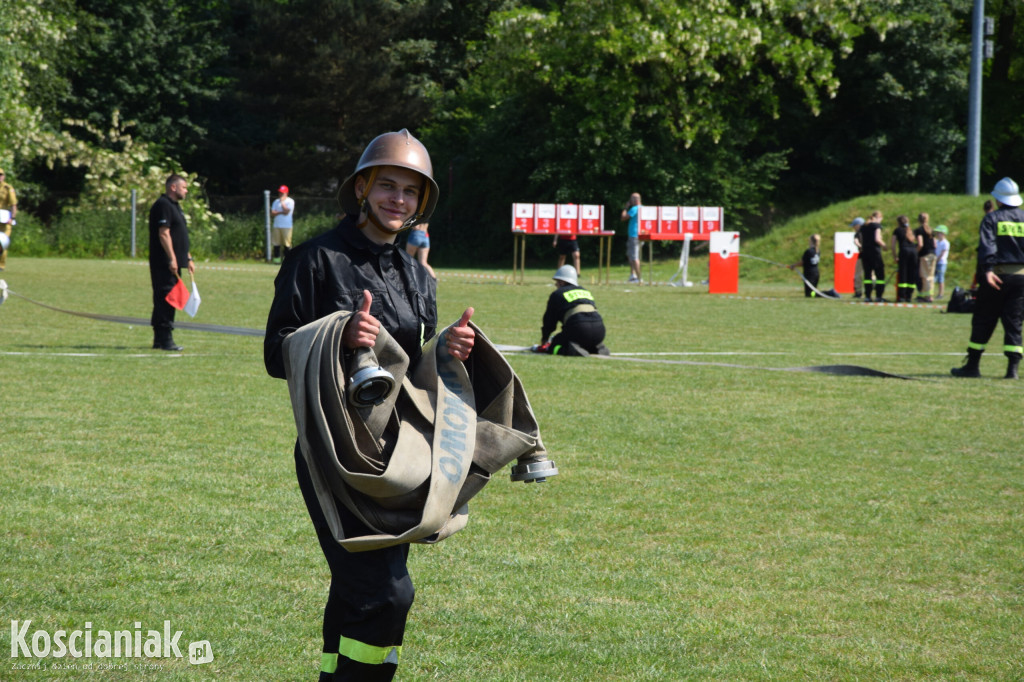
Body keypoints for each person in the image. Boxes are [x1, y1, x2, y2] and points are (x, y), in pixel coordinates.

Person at [264, 130, 475, 681]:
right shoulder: (315, 259)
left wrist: (446, 349)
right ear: (362, 187)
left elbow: (415, 370)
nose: (397, 199)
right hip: (332, 451)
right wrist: (338, 334)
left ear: (420, 203)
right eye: (387, 186)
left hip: (398, 454)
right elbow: (274, 352)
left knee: (361, 590)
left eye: (410, 191)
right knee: (385, 592)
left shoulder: (417, 277)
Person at [951, 176, 1024, 379]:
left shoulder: (992, 218)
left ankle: (972, 366)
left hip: (997, 276)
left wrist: (988, 270)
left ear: (999, 199)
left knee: (984, 318)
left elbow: (987, 246)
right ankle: (1012, 371)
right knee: (1014, 321)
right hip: (1020, 278)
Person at [148, 174, 194, 351]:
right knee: (166, 299)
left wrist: (188, 257)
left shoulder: (175, 206)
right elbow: (164, 233)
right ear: (173, 187)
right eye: (184, 187)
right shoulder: (163, 205)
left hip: (174, 263)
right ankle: (164, 339)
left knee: (169, 298)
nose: (186, 190)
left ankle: (160, 340)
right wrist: (172, 258)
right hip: (164, 263)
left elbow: (178, 235)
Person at [533, 264, 608, 355]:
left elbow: (549, 321)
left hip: (579, 329)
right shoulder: (585, 291)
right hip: (599, 331)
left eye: (557, 282)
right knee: (583, 338)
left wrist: (545, 338)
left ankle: (571, 350)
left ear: (562, 282)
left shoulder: (557, 294)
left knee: (555, 345)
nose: (556, 284)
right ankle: (596, 348)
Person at [860, 210, 887, 302]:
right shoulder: (876, 226)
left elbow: (860, 240)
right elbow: (877, 239)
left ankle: (867, 296)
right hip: (875, 253)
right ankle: (878, 296)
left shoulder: (863, 227)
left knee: (867, 275)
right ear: (878, 217)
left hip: (865, 253)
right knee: (880, 275)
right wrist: (884, 245)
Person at [890, 214, 918, 303]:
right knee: (911, 274)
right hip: (913, 252)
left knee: (903, 274)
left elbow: (893, 245)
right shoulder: (911, 231)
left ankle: (902, 296)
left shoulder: (897, 230)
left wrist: (895, 257)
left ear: (898, 223)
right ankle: (909, 296)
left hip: (904, 251)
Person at [620, 192, 642, 283]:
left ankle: (639, 278)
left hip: (633, 235)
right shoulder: (643, 208)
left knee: (634, 257)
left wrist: (625, 207)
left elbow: (623, 217)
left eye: (631, 199)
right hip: (640, 235)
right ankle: (633, 275)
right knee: (631, 255)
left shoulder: (634, 208)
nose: (630, 201)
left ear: (635, 200)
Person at [270, 184, 295, 263]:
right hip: (277, 225)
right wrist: (281, 212)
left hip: (287, 226)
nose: (280, 194)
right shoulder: (276, 201)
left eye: (282, 193)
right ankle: (276, 260)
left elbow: (287, 211)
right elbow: (272, 213)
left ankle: (287, 260)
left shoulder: (290, 201)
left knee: (287, 244)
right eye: (280, 193)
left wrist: (282, 202)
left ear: (286, 193)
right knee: (276, 243)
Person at [915, 212, 936, 302]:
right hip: (933, 255)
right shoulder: (931, 230)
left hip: (924, 255)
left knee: (924, 276)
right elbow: (935, 245)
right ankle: (930, 294)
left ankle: (927, 296)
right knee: (930, 276)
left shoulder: (919, 230)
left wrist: (915, 252)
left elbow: (920, 244)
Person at [0, 168, 17, 272]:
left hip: (5, 220)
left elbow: (13, 205)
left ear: (4, 176)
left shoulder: (8, 188)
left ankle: (1, 265)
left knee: (2, 243)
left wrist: (12, 218)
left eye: (1, 175)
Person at [850, 217, 865, 298]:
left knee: (858, 274)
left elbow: (856, 241)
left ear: (858, 225)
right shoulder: (868, 231)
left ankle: (858, 292)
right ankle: (873, 288)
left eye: (854, 225)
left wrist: (861, 246)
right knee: (871, 274)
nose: (853, 228)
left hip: (862, 255)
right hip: (870, 255)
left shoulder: (857, 233)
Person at [934, 224, 950, 299]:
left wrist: (937, 260)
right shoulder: (937, 242)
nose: (937, 234)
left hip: (941, 263)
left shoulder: (945, 243)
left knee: (940, 278)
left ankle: (941, 294)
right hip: (936, 262)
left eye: (939, 233)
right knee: (934, 278)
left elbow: (942, 253)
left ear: (943, 234)